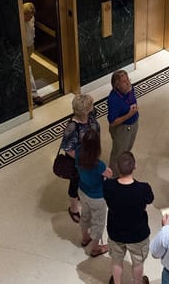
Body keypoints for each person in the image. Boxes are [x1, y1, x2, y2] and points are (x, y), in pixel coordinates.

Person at [103, 151, 154, 284]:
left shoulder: (108, 186)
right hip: (138, 233)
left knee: (116, 261)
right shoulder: (143, 188)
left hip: (115, 231)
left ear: (117, 168)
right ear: (135, 167)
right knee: (138, 262)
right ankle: (138, 282)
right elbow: (150, 200)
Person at [60, 94, 100, 223]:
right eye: (91, 105)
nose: (93, 107)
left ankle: (83, 197)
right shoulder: (72, 127)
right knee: (75, 183)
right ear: (85, 109)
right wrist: (83, 159)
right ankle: (73, 208)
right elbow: (67, 148)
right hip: (78, 161)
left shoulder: (91, 115)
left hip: (90, 157)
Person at [76, 128, 113, 257]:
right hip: (97, 197)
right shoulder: (98, 165)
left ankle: (85, 238)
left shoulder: (77, 154)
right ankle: (95, 248)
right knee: (98, 222)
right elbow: (109, 174)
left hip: (82, 190)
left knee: (85, 214)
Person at [107, 70, 139, 176]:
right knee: (118, 153)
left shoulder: (129, 89)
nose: (128, 83)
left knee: (127, 149)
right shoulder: (113, 99)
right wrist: (129, 114)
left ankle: (123, 168)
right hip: (122, 129)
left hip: (133, 124)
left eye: (128, 79)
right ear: (117, 85)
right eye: (124, 82)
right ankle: (114, 175)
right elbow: (112, 123)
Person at [22, 2, 43, 105]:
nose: (30, 18)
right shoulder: (20, 22)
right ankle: (34, 95)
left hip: (30, 46)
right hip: (23, 48)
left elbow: (32, 32)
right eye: (28, 15)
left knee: (28, 69)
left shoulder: (32, 19)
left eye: (31, 15)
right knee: (28, 69)